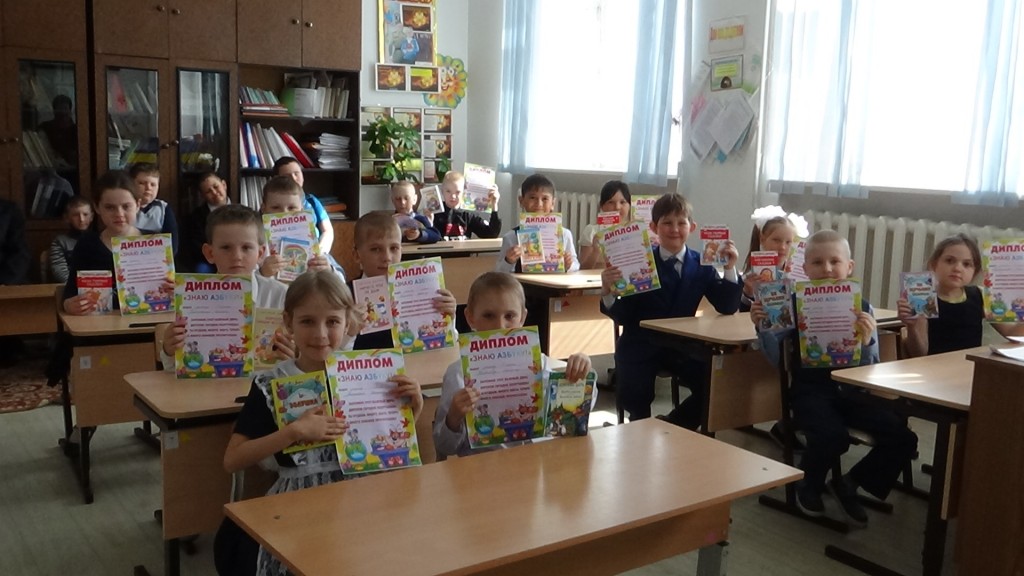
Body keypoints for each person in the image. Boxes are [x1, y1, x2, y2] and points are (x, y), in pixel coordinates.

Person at [220, 270, 424, 575]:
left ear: (348, 323)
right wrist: (293, 432)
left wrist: (414, 410)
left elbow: (389, 449)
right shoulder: (271, 383)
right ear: (288, 322)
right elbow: (232, 460)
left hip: (362, 496)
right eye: (307, 321)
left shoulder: (369, 376)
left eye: (332, 322)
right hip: (299, 501)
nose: (320, 334)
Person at [751, 230, 918, 525]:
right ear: (805, 268)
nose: (827, 269)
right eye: (817, 263)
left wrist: (867, 340)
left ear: (849, 266)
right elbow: (776, 360)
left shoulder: (862, 307)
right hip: (810, 391)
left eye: (834, 261)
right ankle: (809, 484)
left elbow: (872, 366)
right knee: (832, 436)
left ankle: (850, 483)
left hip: (853, 392)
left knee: (903, 437)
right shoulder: (791, 304)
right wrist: (763, 327)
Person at [600, 193, 742, 427]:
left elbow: (727, 306)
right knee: (636, 397)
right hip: (641, 343)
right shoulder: (639, 263)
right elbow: (622, 315)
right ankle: (639, 429)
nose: (674, 229)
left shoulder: (702, 263)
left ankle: (671, 426)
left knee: (714, 386)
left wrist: (729, 269)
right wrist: (608, 292)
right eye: (667, 223)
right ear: (654, 227)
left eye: (681, 223)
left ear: (692, 227)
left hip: (682, 346)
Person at [433, 271, 592, 459]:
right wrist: (453, 418)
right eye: (489, 315)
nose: (500, 326)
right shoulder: (458, 373)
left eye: (510, 316)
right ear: (470, 318)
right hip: (480, 468)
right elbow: (444, 447)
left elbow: (569, 418)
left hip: (533, 464)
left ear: (522, 318)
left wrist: (580, 373)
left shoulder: (538, 364)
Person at [159, 204, 293, 371]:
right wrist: (169, 350)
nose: (236, 256)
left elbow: (298, 362)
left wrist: (295, 356)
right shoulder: (190, 299)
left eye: (246, 248)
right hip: (210, 384)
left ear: (260, 254)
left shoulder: (281, 296)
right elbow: (174, 369)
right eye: (226, 248)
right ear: (210, 253)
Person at [898, 233, 1024, 356]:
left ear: (975, 271)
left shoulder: (980, 295)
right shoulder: (923, 297)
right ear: (934, 264)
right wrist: (912, 327)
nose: (957, 268)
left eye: (966, 264)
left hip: (970, 366)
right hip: (933, 367)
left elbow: (1012, 333)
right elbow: (918, 353)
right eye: (949, 261)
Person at [62, 171, 169, 315]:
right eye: (110, 207)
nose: (119, 214)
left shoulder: (155, 242)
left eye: (126, 206)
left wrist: (174, 289)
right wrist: (69, 305)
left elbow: (173, 290)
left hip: (147, 323)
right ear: (97, 207)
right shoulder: (87, 245)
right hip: (100, 326)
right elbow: (69, 293)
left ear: (138, 205)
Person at [346, 211, 456, 350]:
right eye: (375, 249)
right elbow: (333, 354)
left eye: (394, 248)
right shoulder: (345, 296)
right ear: (357, 255)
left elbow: (445, 346)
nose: (387, 257)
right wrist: (349, 333)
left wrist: (449, 318)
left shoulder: (423, 291)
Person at [258, 176, 341, 282]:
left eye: (291, 208)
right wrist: (262, 273)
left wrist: (328, 271)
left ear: (302, 209)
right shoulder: (256, 243)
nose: (284, 213)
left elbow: (341, 283)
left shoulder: (311, 241)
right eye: (276, 208)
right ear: (263, 209)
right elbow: (245, 285)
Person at [495, 174, 578, 273]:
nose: (539, 204)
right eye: (532, 198)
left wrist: (569, 264)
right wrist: (509, 261)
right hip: (523, 283)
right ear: (521, 201)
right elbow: (499, 272)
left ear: (553, 203)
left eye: (545, 199)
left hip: (554, 282)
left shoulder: (564, 234)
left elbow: (576, 265)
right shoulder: (511, 237)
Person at [273, 157, 335, 255]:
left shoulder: (312, 202)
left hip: (316, 253)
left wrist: (321, 250)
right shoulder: (271, 205)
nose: (294, 179)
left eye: (296, 173)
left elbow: (327, 231)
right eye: (287, 176)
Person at [426, 171, 502, 240]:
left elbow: (491, 234)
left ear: (464, 192)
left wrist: (494, 205)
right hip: (441, 251)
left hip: (464, 251)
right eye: (448, 191)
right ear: (442, 191)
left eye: (458, 192)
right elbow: (428, 239)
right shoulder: (435, 213)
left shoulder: (468, 215)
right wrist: (429, 222)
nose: (453, 196)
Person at [180, 172, 230, 273]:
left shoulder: (242, 212)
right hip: (210, 261)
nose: (214, 193)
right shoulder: (195, 218)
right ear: (203, 196)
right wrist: (218, 257)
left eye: (216, 187)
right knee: (201, 269)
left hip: (236, 257)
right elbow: (197, 245)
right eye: (208, 191)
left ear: (224, 185)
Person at [578, 180, 632, 269]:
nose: (617, 207)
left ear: (629, 205)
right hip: (598, 277)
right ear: (602, 206)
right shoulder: (592, 231)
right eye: (611, 202)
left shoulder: (635, 231)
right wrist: (596, 251)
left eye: (622, 202)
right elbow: (583, 269)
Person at [130, 163, 179, 254]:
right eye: (142, 183)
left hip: (158, 257)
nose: (148, 188)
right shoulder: (123, 207)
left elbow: (172, 245)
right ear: (131, 184)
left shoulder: (163, 208)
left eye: (153, 184)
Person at [49, 196, 94, 283]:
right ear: (67, 218)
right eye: (76, 215)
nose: (81, 219)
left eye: (85, 214)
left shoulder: (99, 240)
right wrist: (76, 285)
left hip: (97, 285)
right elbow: (60, 271)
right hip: (70, 286)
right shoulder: (60, 242)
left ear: (91, 217)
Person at [38, 94, 78, 165]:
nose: (63, 112)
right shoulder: (45, 127)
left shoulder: (77, 130)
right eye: (59, 109)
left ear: (70, 111)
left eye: (65, 108)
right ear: (54, 111)